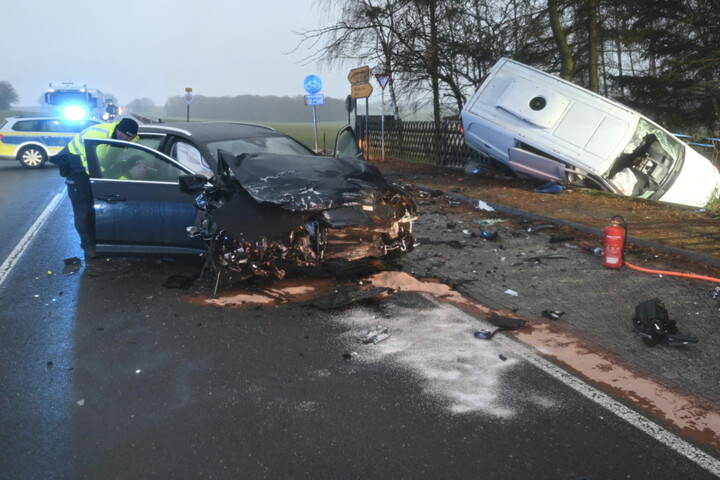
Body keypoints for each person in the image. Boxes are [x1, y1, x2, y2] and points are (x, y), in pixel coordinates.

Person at [51, 118, 139, 258]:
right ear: (118, 130)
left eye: (132, 137)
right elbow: (90, 164)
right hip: (76, 168)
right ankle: (88, 246)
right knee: (83, 209)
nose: (128, 139)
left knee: (96, 207)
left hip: (92, 167)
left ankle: (99, 240)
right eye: (127, 136)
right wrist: (103, 180)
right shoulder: (98, 135)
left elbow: (112, 159)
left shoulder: (123, 138)